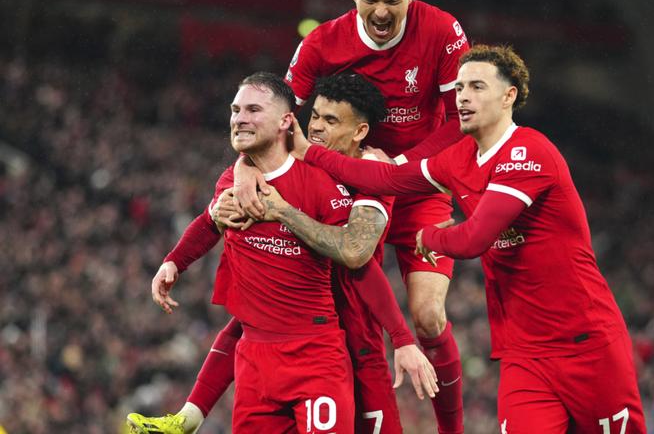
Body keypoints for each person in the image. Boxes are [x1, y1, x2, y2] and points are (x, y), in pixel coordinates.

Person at [289, 44, 648, 433]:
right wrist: (311, 153)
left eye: (476, 87)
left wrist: (428, 237)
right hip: (523, 355)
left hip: (587, 344)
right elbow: (389, 179)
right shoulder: (458, 158)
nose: (463, 97)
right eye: (459, 88)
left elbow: (473, 240)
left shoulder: (529, 151)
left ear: (509, 96)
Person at [127, 74, 437, 434]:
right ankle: (189, 418)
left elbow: (356, 257)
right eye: (315, 116)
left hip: (352, 338)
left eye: (331, 121)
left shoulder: (374, 173)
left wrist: (402, 339)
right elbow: (238, 185)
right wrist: (241, 172)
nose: (317, 127)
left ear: (359, 132)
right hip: (280, 332)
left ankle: (189, 419)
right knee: (246, 319)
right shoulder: (258, 171)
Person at [227, 0, 470, 430]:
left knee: (429, 317)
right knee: (320, 303)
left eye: (393, 0)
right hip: (345, 186)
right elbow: (274, 110)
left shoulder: (441, 30)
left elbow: (460, 121)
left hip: (417, 187)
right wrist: (245, 163)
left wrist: (395, 168)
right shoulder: (322, 42)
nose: (381, 12)